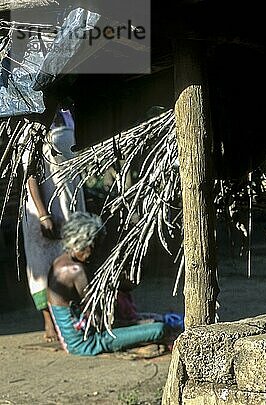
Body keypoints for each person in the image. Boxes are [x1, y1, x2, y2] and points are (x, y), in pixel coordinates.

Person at [47, 211, 169, 356]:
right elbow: (99, 319)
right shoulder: (76, 271)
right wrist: (135, 324)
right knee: (159, 328)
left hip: (82, 336)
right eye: (96, 246)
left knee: (152, 321)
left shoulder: (60, 262)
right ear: (88, 245)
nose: (97, 252)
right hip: (88, 343)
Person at [21, 101, 86, 342]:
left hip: (68, 202)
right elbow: (31, 174)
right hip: (44, 208)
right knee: (40, 265)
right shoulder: (31, 124)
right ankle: (48, 320)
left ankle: (69, 317)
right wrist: (43, 214)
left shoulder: (69, 116)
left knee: (68, 259)